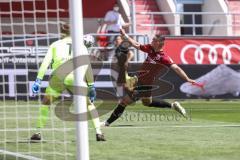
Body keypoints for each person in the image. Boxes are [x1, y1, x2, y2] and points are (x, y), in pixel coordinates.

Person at [102, 28, 196, 126]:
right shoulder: (150, 49)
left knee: (124, 102)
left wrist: (187, 79)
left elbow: (176, 68)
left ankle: (107, 123)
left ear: (159, 43)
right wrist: (125, 36)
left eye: (153, 40)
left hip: (145, 85)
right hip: (140, 81)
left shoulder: (164, 58)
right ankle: (173, 105)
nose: (151, 41)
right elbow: (137, 45)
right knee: (147, 102)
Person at [30, 25, 106, 142]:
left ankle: (37, 132)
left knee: (46, 103)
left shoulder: (55, 45)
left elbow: (45, 63)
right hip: (76, 77)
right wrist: (91, 86)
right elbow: (87, 67)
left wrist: (38, 80)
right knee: (89, 104)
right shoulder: (81, 46)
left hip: (58, 77)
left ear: (61, 32)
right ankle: (99, 132)